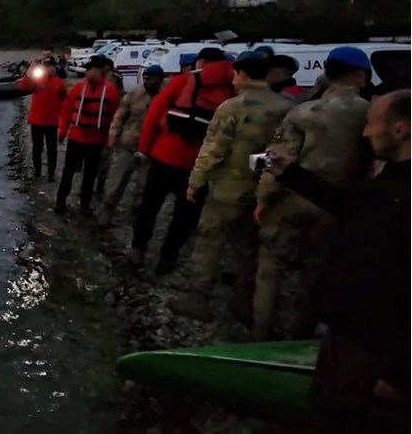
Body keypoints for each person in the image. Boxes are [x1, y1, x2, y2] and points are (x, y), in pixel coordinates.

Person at [262, 90, 410, 433]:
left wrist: (400, 373)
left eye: (372, 123)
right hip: (348, 334)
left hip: (374, 350)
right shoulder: (393, 179)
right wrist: (291, 174)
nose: (365, 133)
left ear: (400, 129)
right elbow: (354, 208)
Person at [252, 46, 374, 340]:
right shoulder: (371, 115)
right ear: (360, 75)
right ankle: (300, 335)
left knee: (270, 270)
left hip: (291, 200)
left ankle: (259, 334)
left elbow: (272, 160)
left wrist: (262, 198)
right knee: (314, 274)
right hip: (334, 207)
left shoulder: (303, 112)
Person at [168, 52, 293, 323]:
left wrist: (195, 182)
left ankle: (198, 299)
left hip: (226, 190)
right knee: (248, 249)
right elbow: (275, 154)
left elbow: (214, 149)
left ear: (243, 74)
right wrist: (260, 180)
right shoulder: (285, 107)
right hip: (260, 191)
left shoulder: (232, 107)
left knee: (209, 242)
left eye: (235, 75)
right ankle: (242, 304)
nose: (233, 81)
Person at [128, 47, 234, 274]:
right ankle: (168, 257)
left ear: (200, 62)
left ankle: (138, 248)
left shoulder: (183, 81)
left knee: (149, 206)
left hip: (165, 154)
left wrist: (144, 149)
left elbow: (153, 115)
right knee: (185, 215)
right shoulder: (232, 88)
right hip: (199, 164)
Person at [96, 64, 165, 227]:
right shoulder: (134, 95)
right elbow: (119, 116)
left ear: (159, 80)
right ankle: (105, 214)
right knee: (116, 182)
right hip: (128, 144)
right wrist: (113, 135)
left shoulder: (165, 98)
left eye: (151, 79)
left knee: (143, 187)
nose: (147, 82)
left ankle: (135, 219)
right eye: (145, 78)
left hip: (151, 150)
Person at [55, 55, 120, 215]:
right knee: (68, 171)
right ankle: (60, 201)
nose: (90, 72)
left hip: (96, 139)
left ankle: (85, 203)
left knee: (90, 174)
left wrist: (110, 138)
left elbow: (114, 116)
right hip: (76, 137)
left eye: (94, 69)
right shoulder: (78, 87)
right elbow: (67, 110)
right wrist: (62, 132)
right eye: (90, 69)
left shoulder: (110, 91)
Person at [18, 58, 67, 181]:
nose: (47, 68)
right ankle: (37, 170)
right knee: (37, 147)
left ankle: (51, 173)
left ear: (54, 67)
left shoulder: (59, 83)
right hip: (37, 121)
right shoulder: (37, 79)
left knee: (52, 149)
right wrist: (30, 71)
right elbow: (23, 87)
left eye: (49, 66)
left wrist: (62, 119)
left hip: (52, 122)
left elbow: (64, 101)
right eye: (45, 66)